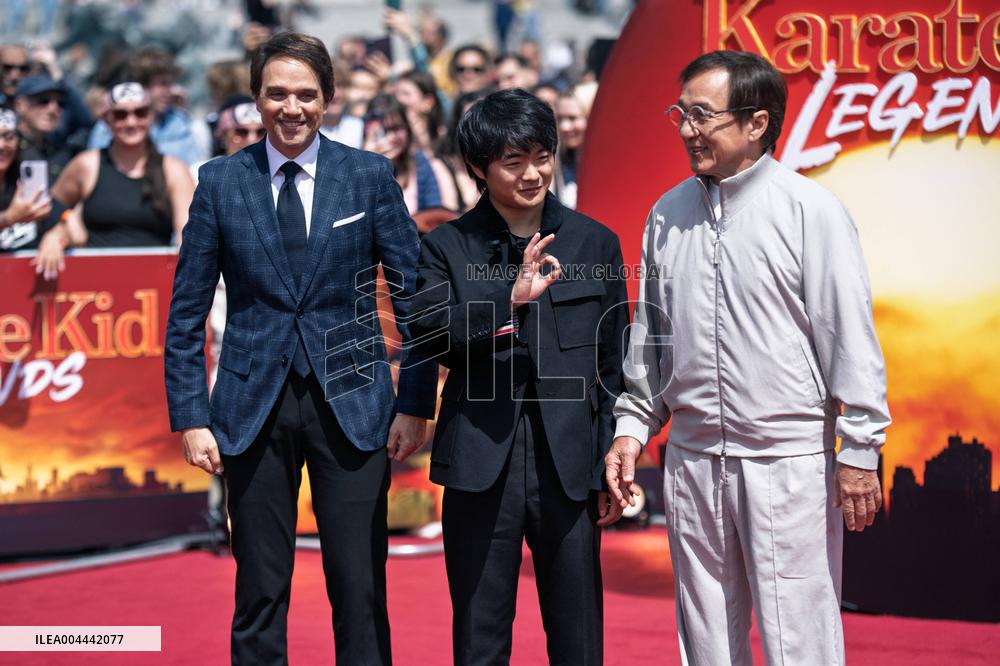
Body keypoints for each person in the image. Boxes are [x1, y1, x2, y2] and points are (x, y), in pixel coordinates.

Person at [605, 51, 891, 665]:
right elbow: (650, 338)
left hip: (789, 460)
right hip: (693, 458)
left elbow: (849, 335)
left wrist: (860, 449)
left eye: (701, 116)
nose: (686, 130)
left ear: (757, 122)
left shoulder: (810, 211)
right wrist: (632, 426)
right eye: (680, 114)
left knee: (800, 636)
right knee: (704, 632)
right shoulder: (666, 213)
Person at [163, 32, 436, 665]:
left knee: (360, 587)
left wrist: (414, 401)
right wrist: (191, 415)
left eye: (306, 95)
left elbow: (415, 299)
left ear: (329, 99)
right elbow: (185, 314)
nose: (292, 108)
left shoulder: (367, 177)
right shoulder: (220, 182)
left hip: (356, 403)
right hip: (250, 408)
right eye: (277, 94)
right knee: (260, 588)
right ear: (255, 101)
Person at [410, 89, 630, 665]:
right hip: (481, 459)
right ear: (478, 169)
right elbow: (428, 334)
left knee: (578, 634)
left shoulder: (595, 242)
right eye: (514, 161)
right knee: (480, 633)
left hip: (571, 462)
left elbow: (614, 364)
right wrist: (505, 302)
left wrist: (609, 455)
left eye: (543, 155)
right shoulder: (445, 246)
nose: (533, 173)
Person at [33, 82, 193, 276]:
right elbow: (49, 206)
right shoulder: (87, 165)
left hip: (152, 288)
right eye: (120, 115)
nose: (131, 122)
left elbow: (189, 239)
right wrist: (59, 230)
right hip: (96, 288)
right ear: (106, 120)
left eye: (140, 113)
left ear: (151, 116)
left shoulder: (173, 171)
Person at [88, 47, 201, 165]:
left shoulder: (181, 124)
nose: (170, 91)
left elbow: (191, 167)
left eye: (171, 83)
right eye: (162, 84)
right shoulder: (110, 126)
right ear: (142, 86)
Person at [363, 94, 457, 214]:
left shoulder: (420, 163)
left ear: (407, 128)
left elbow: (433, 213)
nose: (390, 138)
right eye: (382, 131)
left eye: (396, 128)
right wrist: (367, 163)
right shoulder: (356, 168)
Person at [0, 109, 52, 252]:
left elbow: (75, 231)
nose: (1, 145)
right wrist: (8, 218)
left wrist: (56, 236)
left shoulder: (28, 178)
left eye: (8, 136)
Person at [553, 83, 596, 209]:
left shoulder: (610, 166)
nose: (564, 127)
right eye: (559, 119)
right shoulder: (557, 163)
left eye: (573, 118)